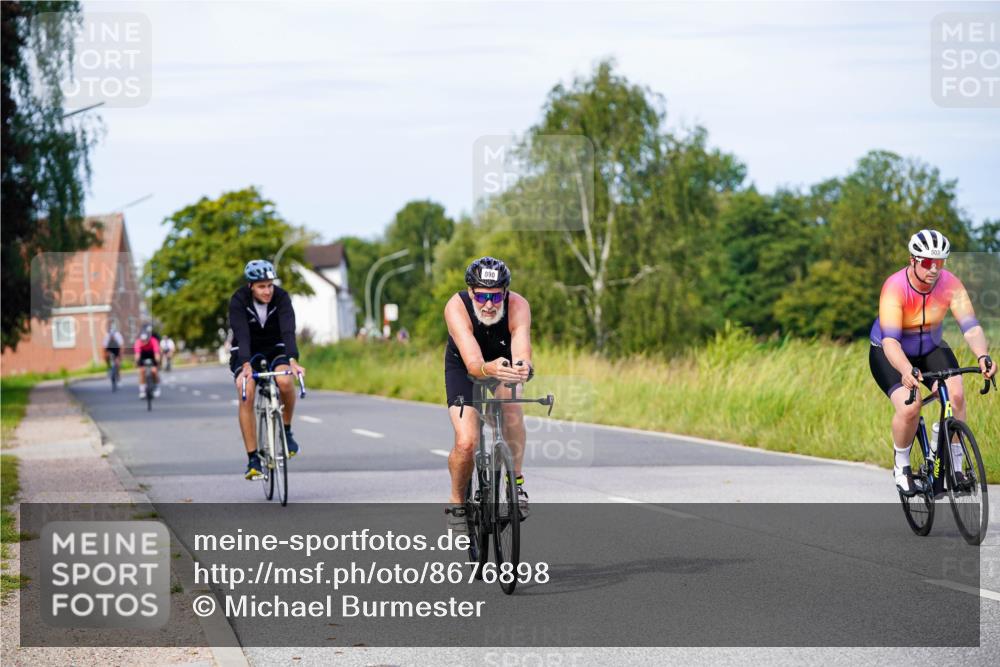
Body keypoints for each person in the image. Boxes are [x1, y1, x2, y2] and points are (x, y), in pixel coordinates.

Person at [869, 229, 994, 495]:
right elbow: (891, 341)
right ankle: (901, 465)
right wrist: (904, 370)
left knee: (956, 397)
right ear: (912, 259)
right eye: (927, 262)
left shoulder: (950, 284)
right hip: (890, 350)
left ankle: (955, 466)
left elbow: (970, 327)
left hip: (931, 347)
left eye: (940, 262)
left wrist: (983, 356)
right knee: (910, 406)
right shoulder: (894, 287)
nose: (934, 269)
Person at [443, 256, 533, 535]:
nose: (489, 304)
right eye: (482, 296)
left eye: (496, 296)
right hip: (466, 367)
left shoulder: (518, 306)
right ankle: (457, 502)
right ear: (471, 292)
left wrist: (522, 368)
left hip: (501, 365)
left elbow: (522, 351)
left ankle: (515, 485)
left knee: (511, 407)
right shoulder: (456, 307)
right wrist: (486, 368)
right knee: (467, 442)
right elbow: (473, 364)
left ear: (505, 293)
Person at [229, 259, 306, 480]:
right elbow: (241, 333)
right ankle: (253, 458)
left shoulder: (281, 298)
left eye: (270, 285)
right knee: (247, 392)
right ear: (251, 286)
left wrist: (292, 359)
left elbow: (288, 329)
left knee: (284, 381)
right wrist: (245, 364)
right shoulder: (238, 300)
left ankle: (287, 431)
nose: (267, 290)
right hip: (246, 351)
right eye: (262, 286)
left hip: (275, 348)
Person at [133, 325, 161, 399]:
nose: (144, 342)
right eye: (143, 341)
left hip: (152, 354)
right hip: (143, 355)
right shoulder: (138, 342)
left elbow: (156, 354)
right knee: (142, 371)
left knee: (154, 371)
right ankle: (142, 391)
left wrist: (157, 363)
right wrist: (136, 362)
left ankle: (156, 387)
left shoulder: (153, 341)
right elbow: (137, 355)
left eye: (146, 340)